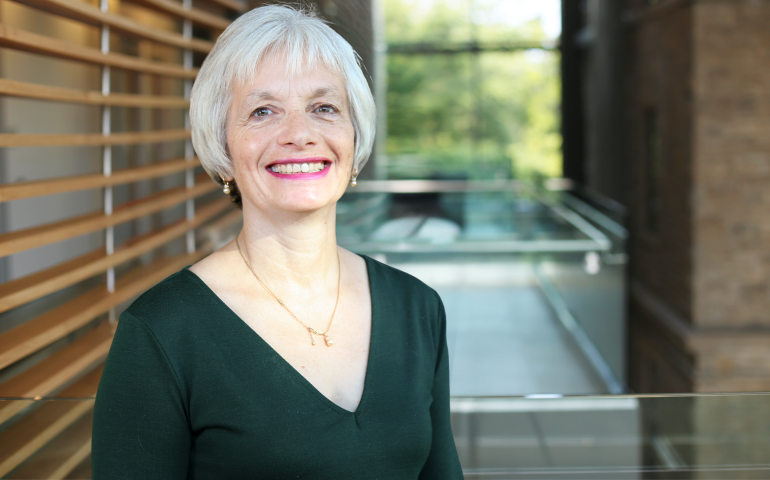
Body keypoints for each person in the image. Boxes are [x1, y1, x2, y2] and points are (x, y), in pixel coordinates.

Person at [92, 5, 463, 479]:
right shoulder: (161, 332)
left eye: (324, 108)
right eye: (262, 111)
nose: (299, 135)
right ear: (223, 148)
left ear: (354, 138)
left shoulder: (417, 308)